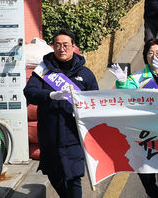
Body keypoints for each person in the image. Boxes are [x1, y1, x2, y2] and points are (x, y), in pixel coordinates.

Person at [23, 29, 99, 198]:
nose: (62, 49)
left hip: (73, 135)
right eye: (57, 45)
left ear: (73, 46)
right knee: (54, 175)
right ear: (53, 47)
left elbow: (95, 102)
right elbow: (29, 92)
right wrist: (49, 95)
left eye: (65, 45)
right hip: (50, 134)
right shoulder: (43, 71)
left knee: (73, 178)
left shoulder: (85, 74)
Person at [109, 38, 158, 198]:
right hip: (142, 134)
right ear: (145, 56)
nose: (154, 56)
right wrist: (122, 83)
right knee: (145, 174)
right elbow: (126, 95)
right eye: (150, 53)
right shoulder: (137, 78)